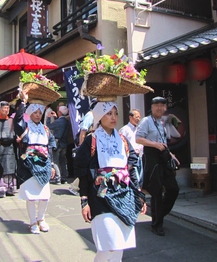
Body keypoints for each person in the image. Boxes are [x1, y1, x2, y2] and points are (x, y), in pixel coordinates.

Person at [74, 101, 147, 261]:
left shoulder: (122, 140)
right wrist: (84, 201)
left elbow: (131, 169)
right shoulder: (91, 140)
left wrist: (138, 195)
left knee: (119, 244)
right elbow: (83, 172)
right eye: (109, 113)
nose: (114, 117)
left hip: (124, 195)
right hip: (100, 197)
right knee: (109, 244)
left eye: (116, 113)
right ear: (100, 116)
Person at [136, 96, 180, 236]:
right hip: (151, 157)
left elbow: (163, 142)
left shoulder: (161, 122)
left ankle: (160, 214)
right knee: (156, 192)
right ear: (152, 107)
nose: (160, 108)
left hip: (163, 156)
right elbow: (138, 138)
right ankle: (157, 225)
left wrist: (171, 155)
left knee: (173, 189)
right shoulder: (146, 121)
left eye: (162, 105)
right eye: (157, 105)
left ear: (165, 108)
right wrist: (154, 144)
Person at [14, 91, 56, 234]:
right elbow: (17, 119)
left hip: (44, 164)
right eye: (35, 112)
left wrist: (51, 165)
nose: (38, 115)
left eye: (40, 112)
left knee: (45, 196)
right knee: (31, 197)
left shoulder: (46, 129)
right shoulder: (24, 127)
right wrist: (23, 102)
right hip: (28, 165)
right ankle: (32, 222)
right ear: (30, 113)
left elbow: (50, 148)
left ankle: (41, 218)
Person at [119, 109, 144, 187]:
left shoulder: (140, 129)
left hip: (139, 156)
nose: (138, 119)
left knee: (140, 177)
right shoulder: (125, 129)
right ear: (130, 117)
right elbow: (122, 143)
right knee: (133, 178)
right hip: (130, 158)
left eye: (139, 117)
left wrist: (139, 149)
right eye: (136, 117)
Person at [47, 105, 69, 185]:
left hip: (58, 142)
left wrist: (49, 118)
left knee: (55, 161)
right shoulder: (65, 120)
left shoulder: (60, 121)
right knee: (63, 161)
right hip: (64, 143)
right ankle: (64, 177)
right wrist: (56, 118)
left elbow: (49, 126)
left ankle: (58, 178)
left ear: (59, 112)